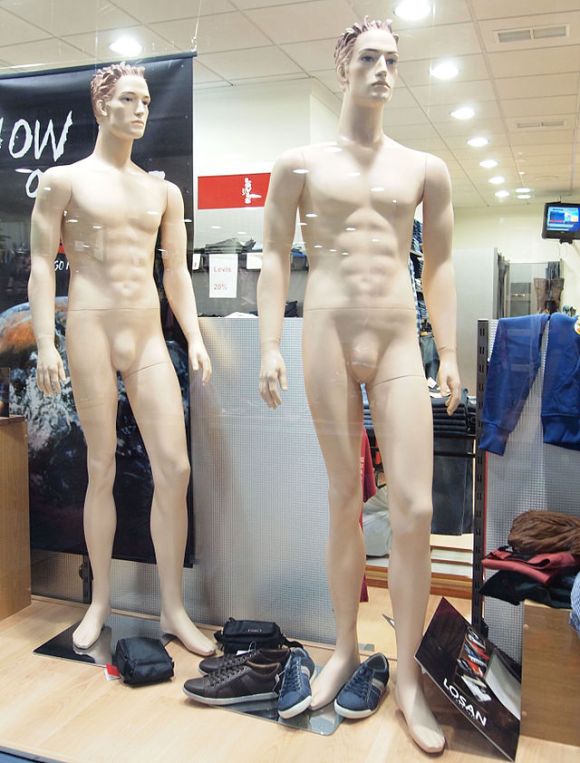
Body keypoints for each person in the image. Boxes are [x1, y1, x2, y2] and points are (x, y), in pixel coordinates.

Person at [257, 19, 460, 753]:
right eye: (369, 57)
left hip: (400, 338)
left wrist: (450, 352)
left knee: (415, 507)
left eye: (392, 60)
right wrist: (268, 344)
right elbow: (273, 254)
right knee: (344, 497)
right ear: (343, 65)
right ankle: (344, 647)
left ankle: (406, 678)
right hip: (326, 336)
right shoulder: (300, 164)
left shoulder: (425, 169)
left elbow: (438, 264)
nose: (382, 70)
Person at [28, 62, 214, 656]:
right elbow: (41, 264)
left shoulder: (163, 192)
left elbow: (176, 271)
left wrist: (195, 335)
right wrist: (45, 341)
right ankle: (100, 601)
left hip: (146, 333)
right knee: (101, 466)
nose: (140, 110)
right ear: (101, 105)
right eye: (129, 99)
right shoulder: (64, 181)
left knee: (175, 469)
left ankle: (173, 608)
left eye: (146, 101)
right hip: (90, 328)